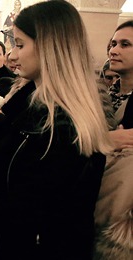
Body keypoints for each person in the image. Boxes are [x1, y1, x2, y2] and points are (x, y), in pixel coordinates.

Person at [0, 1, 113, 259]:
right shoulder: (25, 100)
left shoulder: (66, 123)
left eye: (20, 44)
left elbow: (34, 210)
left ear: (50, 47)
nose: (12, 55)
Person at [94, 20, 133, 259]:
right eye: (113, 43)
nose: (114, 50)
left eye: (125, 44)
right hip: (91, 196)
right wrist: (105, 139)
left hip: (121, 210)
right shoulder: (102, 94)